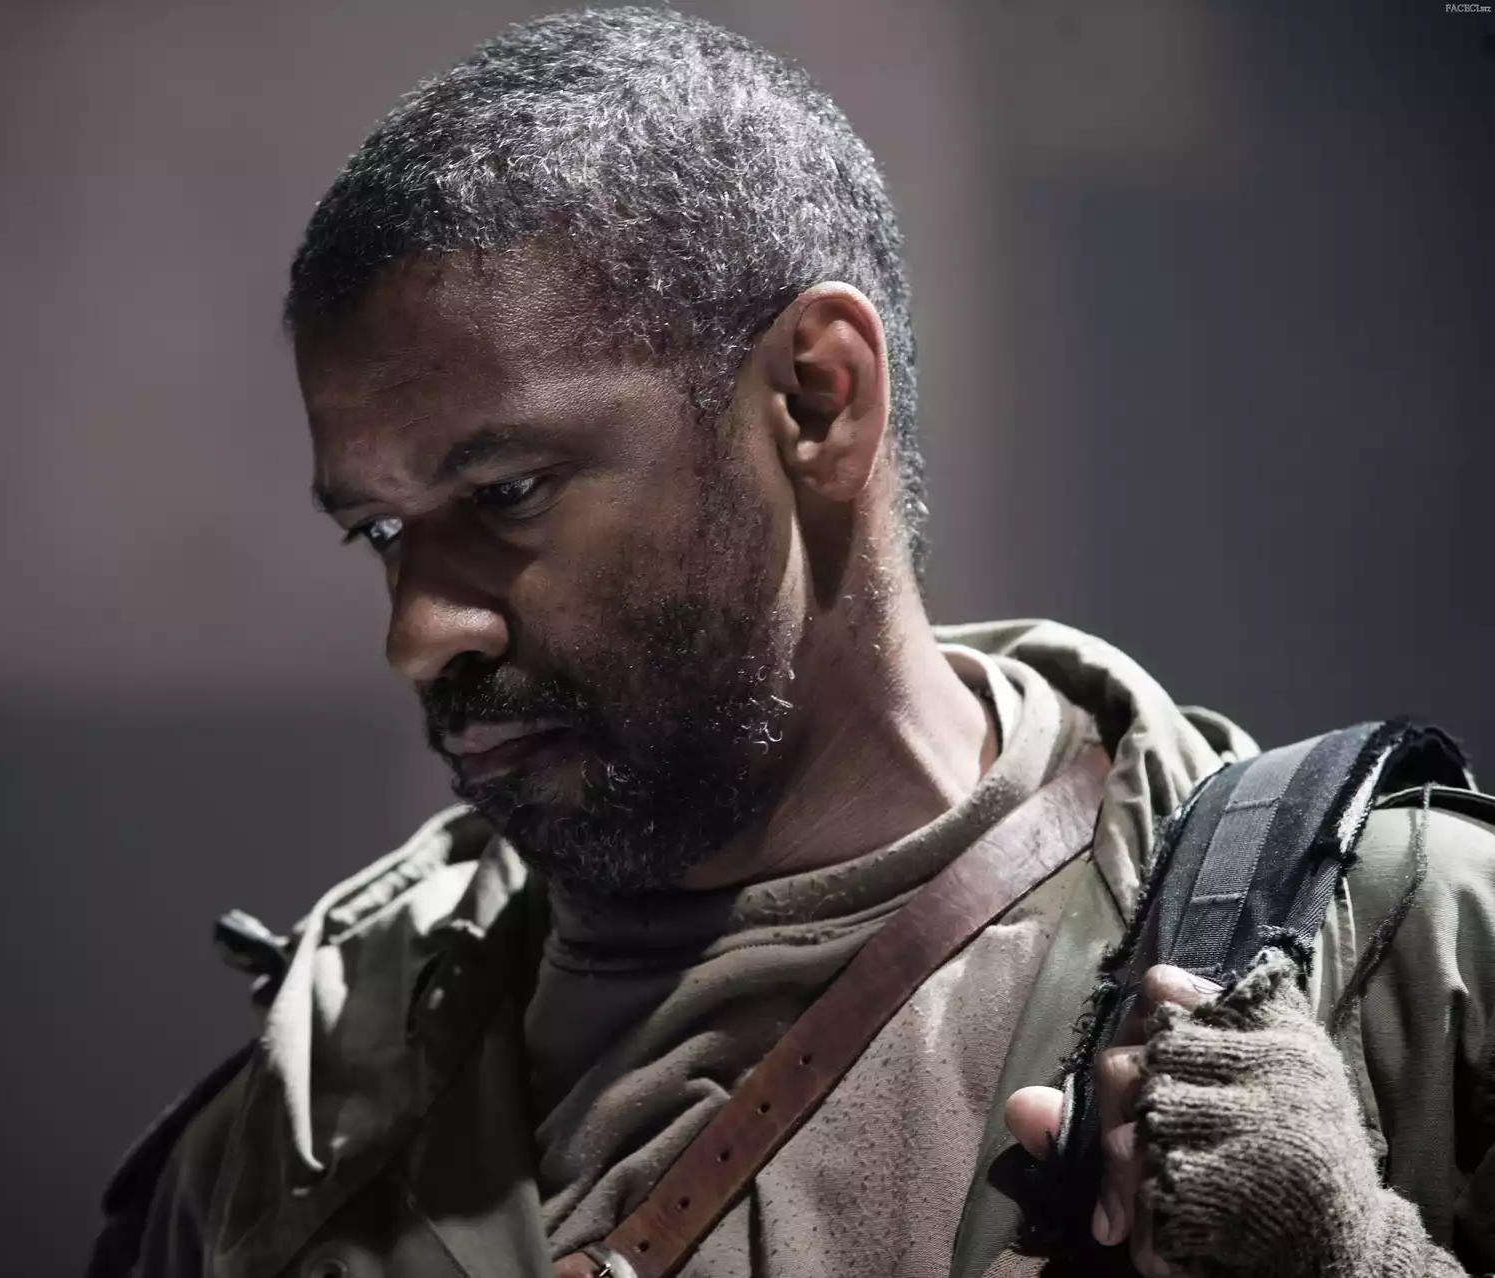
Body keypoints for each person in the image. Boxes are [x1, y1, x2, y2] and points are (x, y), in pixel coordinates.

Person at [87, 9, 1495, 1277]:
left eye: (507, 493)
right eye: (382, 532)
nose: (418, 632)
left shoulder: (1402, 952)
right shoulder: (289, 1147)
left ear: (819, 401)